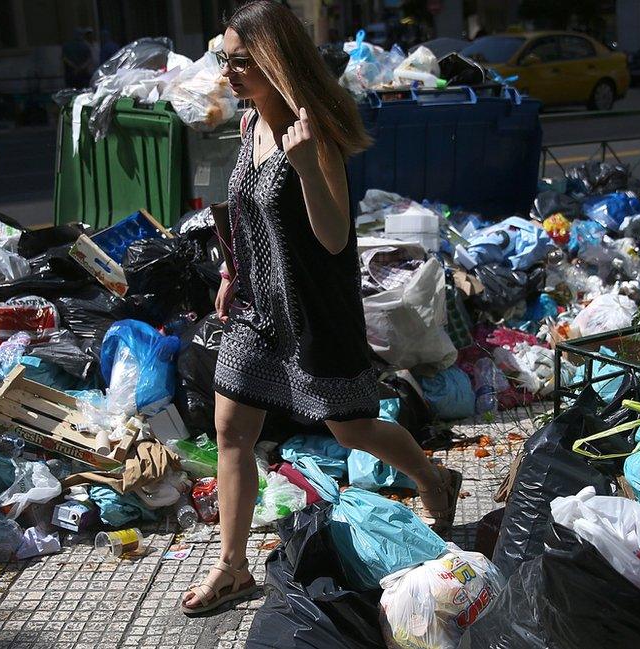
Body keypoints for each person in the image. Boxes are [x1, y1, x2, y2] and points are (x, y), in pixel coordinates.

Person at [180, 0, 461, 616]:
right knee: (231, 430)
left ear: (277, 62)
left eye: (242, 63)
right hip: (258, 309)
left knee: (350, 428)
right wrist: (232, 269)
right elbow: (251, 210)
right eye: (225, 60)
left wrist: (306, 167)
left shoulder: (314, 134)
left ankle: (433, 479)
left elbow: (334, 236)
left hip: (313, 315)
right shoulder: (251, 123)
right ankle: (231, 569)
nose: (230, 74)